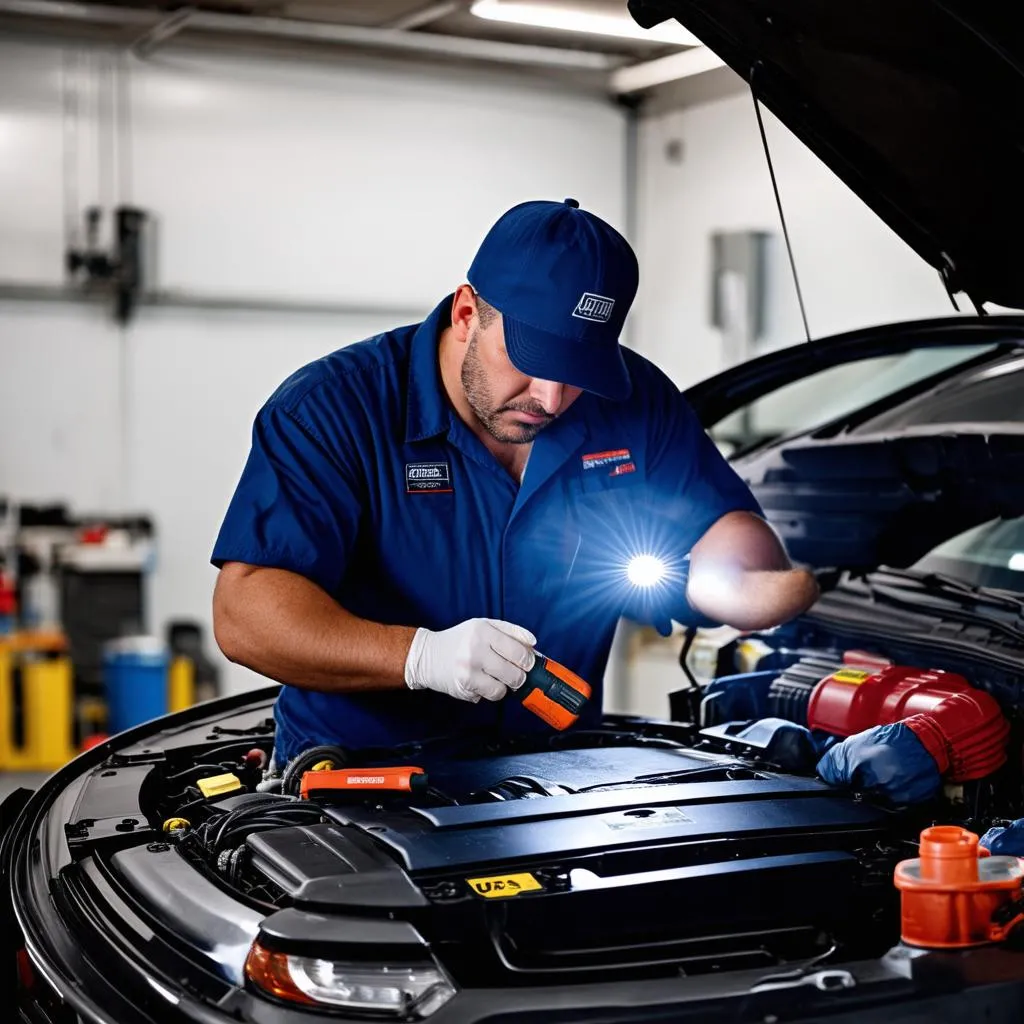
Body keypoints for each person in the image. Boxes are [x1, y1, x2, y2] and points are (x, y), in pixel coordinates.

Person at [210, 198, 819, 766]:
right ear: (467, 312)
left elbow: (729, 524)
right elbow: (247, 614)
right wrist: (419, 657)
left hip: (556, 780)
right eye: (533, 359)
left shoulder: (633, 400)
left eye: (578, 370)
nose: (552, 398)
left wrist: (727, 580)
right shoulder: (333, 408)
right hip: (360, 783)